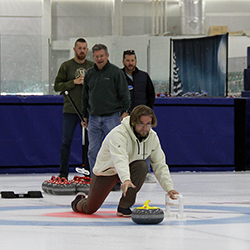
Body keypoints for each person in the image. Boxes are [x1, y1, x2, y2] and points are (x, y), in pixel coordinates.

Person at [71, 105, 179, 217]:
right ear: (133, 122)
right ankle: (78, 200)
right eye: (141, 123)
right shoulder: (119, 134)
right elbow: (120, 159)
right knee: (89, 208)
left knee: (142, 166)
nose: (145, 128)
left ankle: (124, 206)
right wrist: (126, 179)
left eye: (148, 124)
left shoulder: (152, 137)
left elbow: (159, 164)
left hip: (130, 168)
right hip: (107, 171)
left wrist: (169, 188)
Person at [81, 44, 130, 176]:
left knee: (115, 150)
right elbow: (85, 96)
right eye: (97, 56)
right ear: (93, 57)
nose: (99, 58)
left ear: (107, 56)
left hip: (112, 117)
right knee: (93, 151)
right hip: (93, 118)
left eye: (102, 56)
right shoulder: (89, 74)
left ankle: (116, 179)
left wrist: (125, 111)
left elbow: (125, 93)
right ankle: (95, 180)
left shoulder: (116, 72)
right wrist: (84, 115)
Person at [54, 38, 94, 180]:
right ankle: (63, 174)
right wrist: (74, 82)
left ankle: (89, 174)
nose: (82, 51)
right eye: (79, 48)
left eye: (84, 48)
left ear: (87, 50)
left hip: (88, 112)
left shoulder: (92, 66)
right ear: (74, 49)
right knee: (66, 142)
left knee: (91, 144)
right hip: (70, 111)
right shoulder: (66, 66)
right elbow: (57, 86)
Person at [122, 49, 156, 183]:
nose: (130, 63)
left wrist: (148, 113)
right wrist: (122, 111)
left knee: (144, 143)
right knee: (125, 144)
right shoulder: (119, 75)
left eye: (132, 60)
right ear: (123, 61)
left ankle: (145, 172)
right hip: (125, 117)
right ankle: (124, 173)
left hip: (141, 117)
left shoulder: (143, 76)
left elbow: (151, 95)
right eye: (128, 60)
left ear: (136, 61)